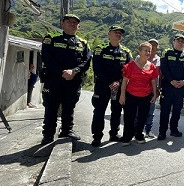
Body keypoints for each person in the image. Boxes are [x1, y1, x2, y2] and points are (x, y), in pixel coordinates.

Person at [40, 13, 91, 145]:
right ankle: (48, 135)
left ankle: (67, 130)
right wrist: (61, 72)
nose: (72, 24)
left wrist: (74, 71)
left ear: (78, 26)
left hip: (73, 81)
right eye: (69, 21)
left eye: (75, 23)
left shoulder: (83, 43)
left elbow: (86, 61)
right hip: (54, 80)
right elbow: (47, 58)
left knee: (69, 107)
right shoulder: (51, 38)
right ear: (62, 23)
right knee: (51, 108)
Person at [90, 25, 132, 147]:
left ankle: (114, 134)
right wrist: (110, 82)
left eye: (120, 33)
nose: (118, 34)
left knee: (117, 111)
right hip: (102, 86)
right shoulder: (100, 49)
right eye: (116, 32)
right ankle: (97, 137)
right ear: (109, 33)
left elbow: (128, 71)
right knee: (99, 111)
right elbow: (97, 69)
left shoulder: (126, 52)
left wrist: (118, 82)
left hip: (118, 87)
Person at [119, 42, 158, 145]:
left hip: (146, 96)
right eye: (145, 50)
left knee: (142, 117)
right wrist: (122, 95)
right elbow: (124, 81)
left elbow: (153, 81)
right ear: (139, 51)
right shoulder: (130, 65)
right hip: (131, 95)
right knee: (129, 117)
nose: (148, 52)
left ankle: (139, 135)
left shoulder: (152, 67)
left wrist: (154, 94)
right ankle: (127, 137)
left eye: (149, 51)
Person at [158, 34, 184, 140]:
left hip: (180, 88)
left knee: (177, 110)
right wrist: (171, 80)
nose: (180, 43)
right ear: (174, 41)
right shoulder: (167, 52)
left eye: (182, 41)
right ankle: (162, 132)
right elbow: (164, 68)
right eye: (178, 41)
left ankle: (174, 130)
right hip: (168, 87)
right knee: (165, 110)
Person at [144, 38, 161, 137]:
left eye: (155, 45)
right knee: (139, 111)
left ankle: (148, 130)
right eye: (151, 44)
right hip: (140, 88)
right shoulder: (140, 57)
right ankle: (137, 130)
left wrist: (159, 89)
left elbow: (161, 75)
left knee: (151, 111)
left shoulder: (159, 60)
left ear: (157, 48)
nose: (153, 46)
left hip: (153, 90)